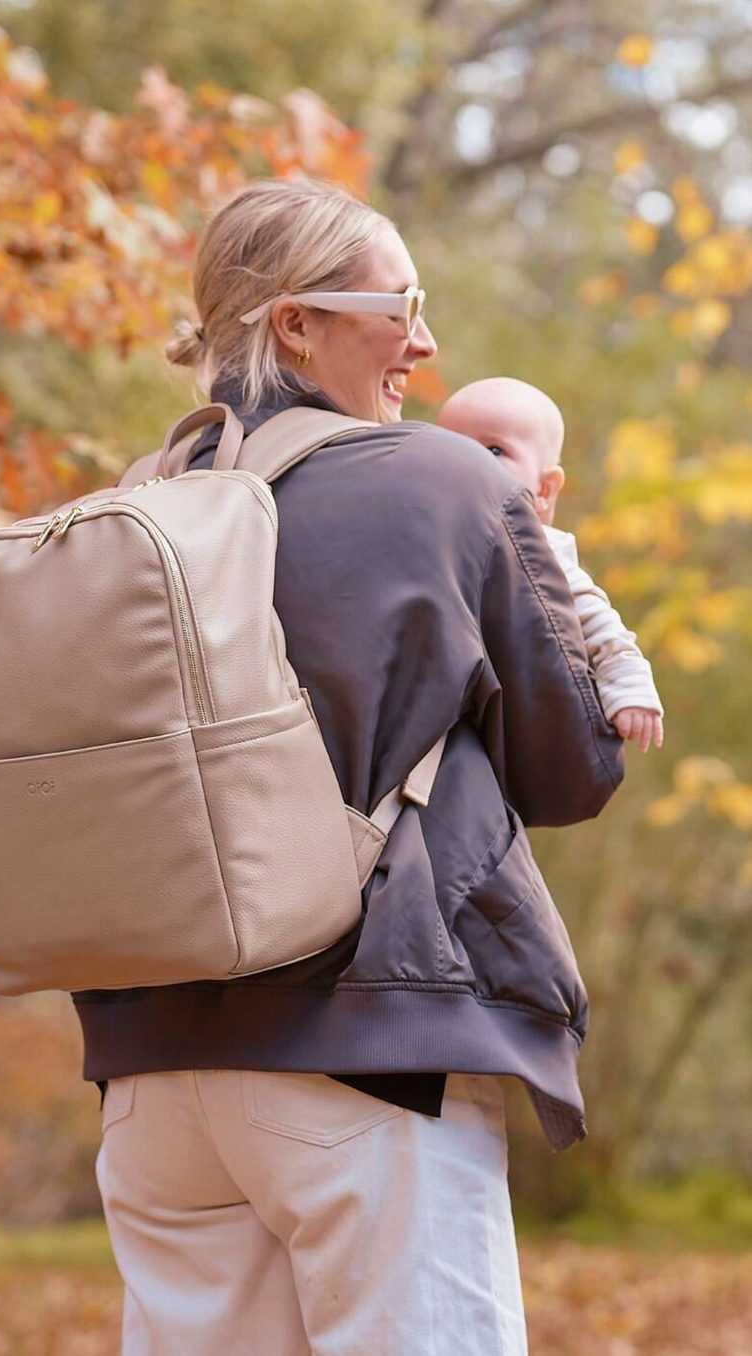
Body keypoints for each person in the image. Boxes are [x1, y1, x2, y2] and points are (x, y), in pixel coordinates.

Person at [74, 177, 625, 1356]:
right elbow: (575, 768)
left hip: (154, 1079)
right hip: (366, 1058)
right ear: (296, 323)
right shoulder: (445, 481)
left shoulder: (137, 503)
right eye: (402, 304)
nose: (423, 341)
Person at [437, 377, 664, 753]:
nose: (470, 462)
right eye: (453, 447)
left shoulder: (538, 550)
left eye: (494, 450)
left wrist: (629, 686)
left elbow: (596, 619)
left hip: (508, 717)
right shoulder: (429, 526)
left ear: (544, 490)